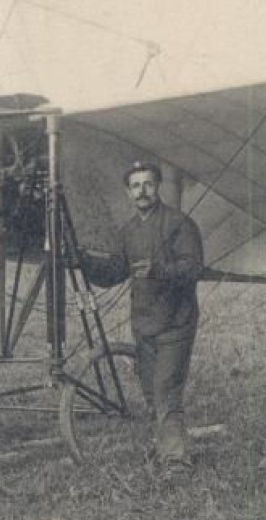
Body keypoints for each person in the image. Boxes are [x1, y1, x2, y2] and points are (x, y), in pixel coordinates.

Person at [81, 160, 205, 477]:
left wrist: (159, 270)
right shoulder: (128, 232)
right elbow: (112, 273)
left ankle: (177, 463)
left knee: (166, 391)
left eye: (148, 184)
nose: (142, 192)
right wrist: (80, 260)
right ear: (128, 193)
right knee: (152, 393)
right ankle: (166, 447)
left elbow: (193, 268)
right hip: (145, 325)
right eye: (135, 186)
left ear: (157, 187)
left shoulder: (180, 224)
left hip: (176, 323)